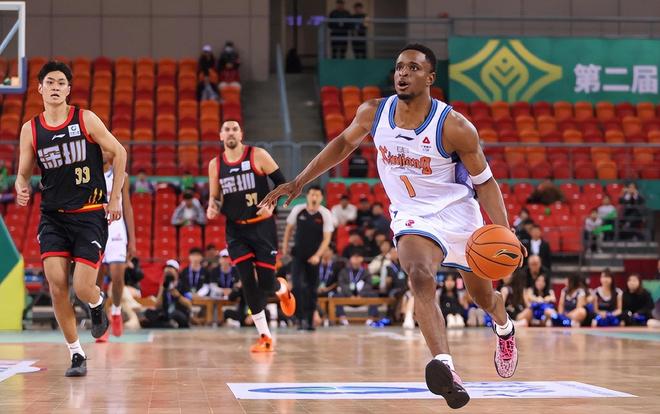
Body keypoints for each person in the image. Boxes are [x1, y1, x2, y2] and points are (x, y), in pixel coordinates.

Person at [260, 44, 526, 408]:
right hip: (412, 215)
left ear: (430, 78)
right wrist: (299, 181)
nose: (403, 73)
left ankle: (504, 327)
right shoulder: (374, 112)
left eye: (413, 68)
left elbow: (485, 182)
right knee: (419, 276)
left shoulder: (455, 126)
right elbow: (342, 143)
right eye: (400, 67)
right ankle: (446, 367)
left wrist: (506, 230)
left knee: (483, 297)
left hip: (459, 213)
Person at [15, 61, 127, 377]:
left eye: (61, 83)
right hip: (53, 217)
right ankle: (76, 353)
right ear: (39, 88)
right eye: (50, 82)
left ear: (68, 89)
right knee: (56, 285)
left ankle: (97, 302)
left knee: (81, 287)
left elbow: (120, 153)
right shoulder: (30, 129)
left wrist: (114, 197)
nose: (55, 87)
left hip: (89, 215)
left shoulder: (85, 118)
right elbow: (23, 173)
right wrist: (21, 185)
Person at [206, 120, 295, 352]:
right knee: (247, 281)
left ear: (241, 134)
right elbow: (215, 197)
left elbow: (282, 183)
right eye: (226, 129)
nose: (231, 132)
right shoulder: (216, 164)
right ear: (220, 136)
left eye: (234, 129)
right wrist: (212, 207)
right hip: (236, 230)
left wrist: (271, 205)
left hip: (262, 227)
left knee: (266, 284)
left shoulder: (258, 155)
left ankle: (282, 289)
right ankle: (264, 336)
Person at [95, 149, 136, 342]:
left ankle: (117, 311)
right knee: (95, 280)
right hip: (96, 227)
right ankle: (101, 320)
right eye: (100, 149)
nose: (103, 152)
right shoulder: (89, 173)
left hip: (117, 229)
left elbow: (127, 207)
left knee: (117, 276)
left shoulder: (122, 175)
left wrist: (132, 240)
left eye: (106, 149)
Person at [281, 185, 334, 330]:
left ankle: (310, 320)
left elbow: (327, 239)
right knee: (297, 286)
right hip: (298, 254)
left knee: (312, 288)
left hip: (314, 257)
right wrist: (285, 246)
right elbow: (289, 228)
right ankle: (299, 319)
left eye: (317, 195)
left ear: (321, 198)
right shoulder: (298, 209)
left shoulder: (325, 214)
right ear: (307, 196)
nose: (314, 197)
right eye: (312, 194)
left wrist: (317, 255)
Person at [141, 260, 192, 328]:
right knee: (149, 312)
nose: (168, 270)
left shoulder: (183, 284)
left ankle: (162, 324)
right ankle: (169, 324)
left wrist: (178, 296)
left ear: (176, 271)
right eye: (166, 268)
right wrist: (161, 290)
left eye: (170, 268)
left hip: (179, 313)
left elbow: (189, 304)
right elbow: (157, 306)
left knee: (176, 314)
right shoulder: (164, 286)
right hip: (166, 314)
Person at [335, 251, 379, 325]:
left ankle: (371, 317)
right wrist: (350, 295)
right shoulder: (344, 271)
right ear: (350, 259)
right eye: (354, 257)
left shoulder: (365, 272)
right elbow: (342, 284)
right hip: (348, 296)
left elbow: (368, 284)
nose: (356, 260)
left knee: (373, 294)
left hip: (362, 296)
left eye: (358, 257)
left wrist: (361, 295)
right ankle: (342, 317)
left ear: (361, 259)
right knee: (337, 295)